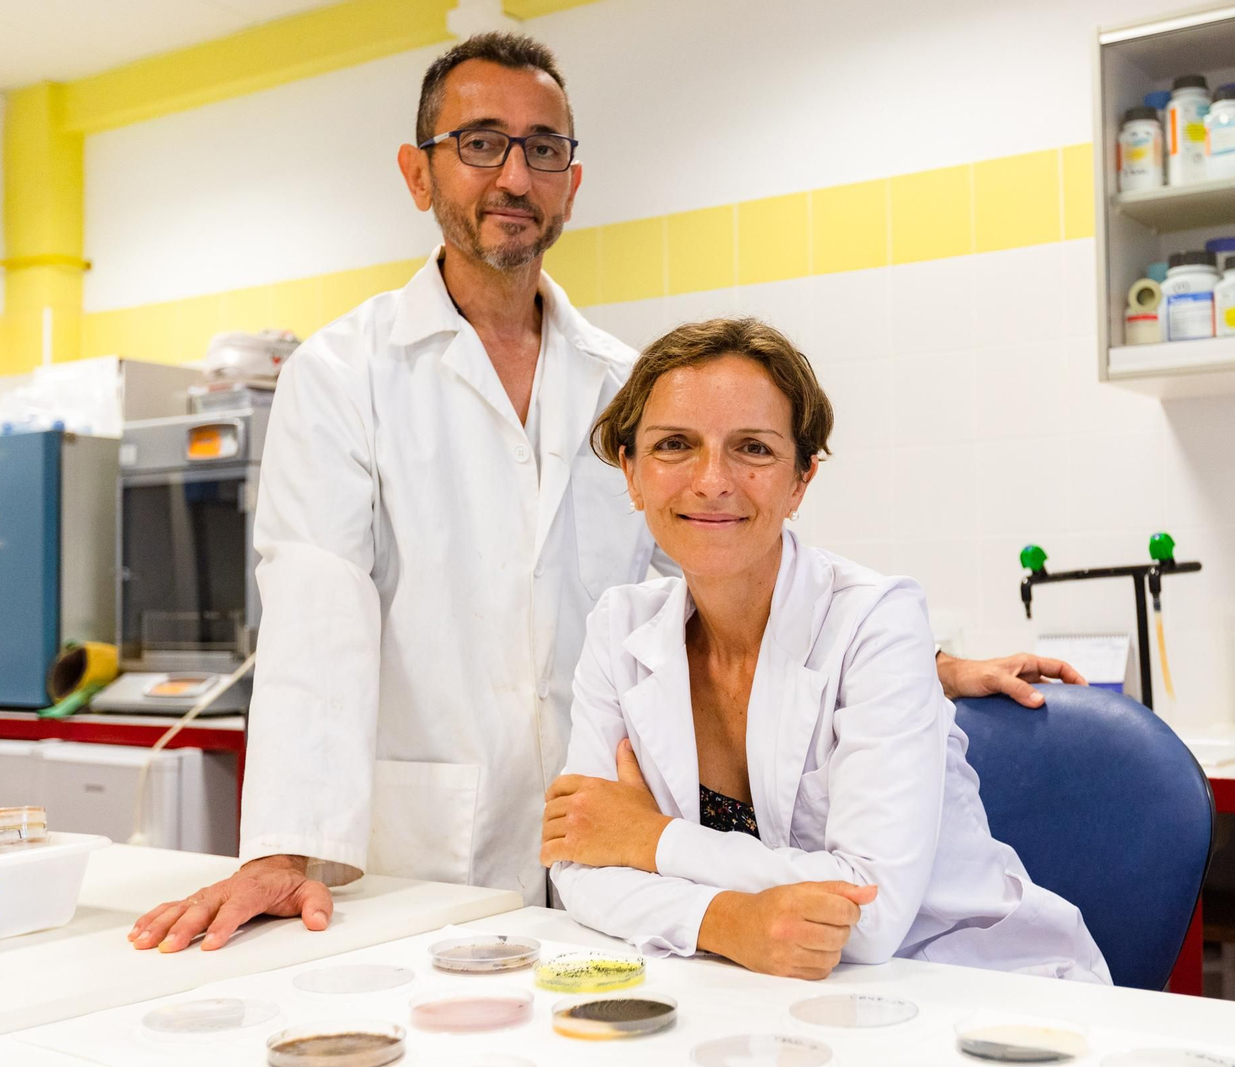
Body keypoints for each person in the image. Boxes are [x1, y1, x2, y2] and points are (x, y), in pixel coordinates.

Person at [129, 31, 1083, 956]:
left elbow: (716, 562)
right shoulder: (345, 374)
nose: (514, 176)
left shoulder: (626, 384)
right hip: (431, 840)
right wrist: (282, 850)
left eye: (543, 149)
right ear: (418, 174)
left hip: (619, 844)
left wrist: (909, 661)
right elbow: (317, 609)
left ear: (572, 185)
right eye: (480, 143)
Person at [542, 318, 1110, 983]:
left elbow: (870, 911)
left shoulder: (876, 619)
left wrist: (647, 838)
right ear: (632, 473)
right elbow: (577, 864)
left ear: (800, 480)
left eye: (753, 448)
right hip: (757, 986)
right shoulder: (620, 629)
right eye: (674, 444)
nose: (712, 479)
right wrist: (727, 921)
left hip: (969, 983)